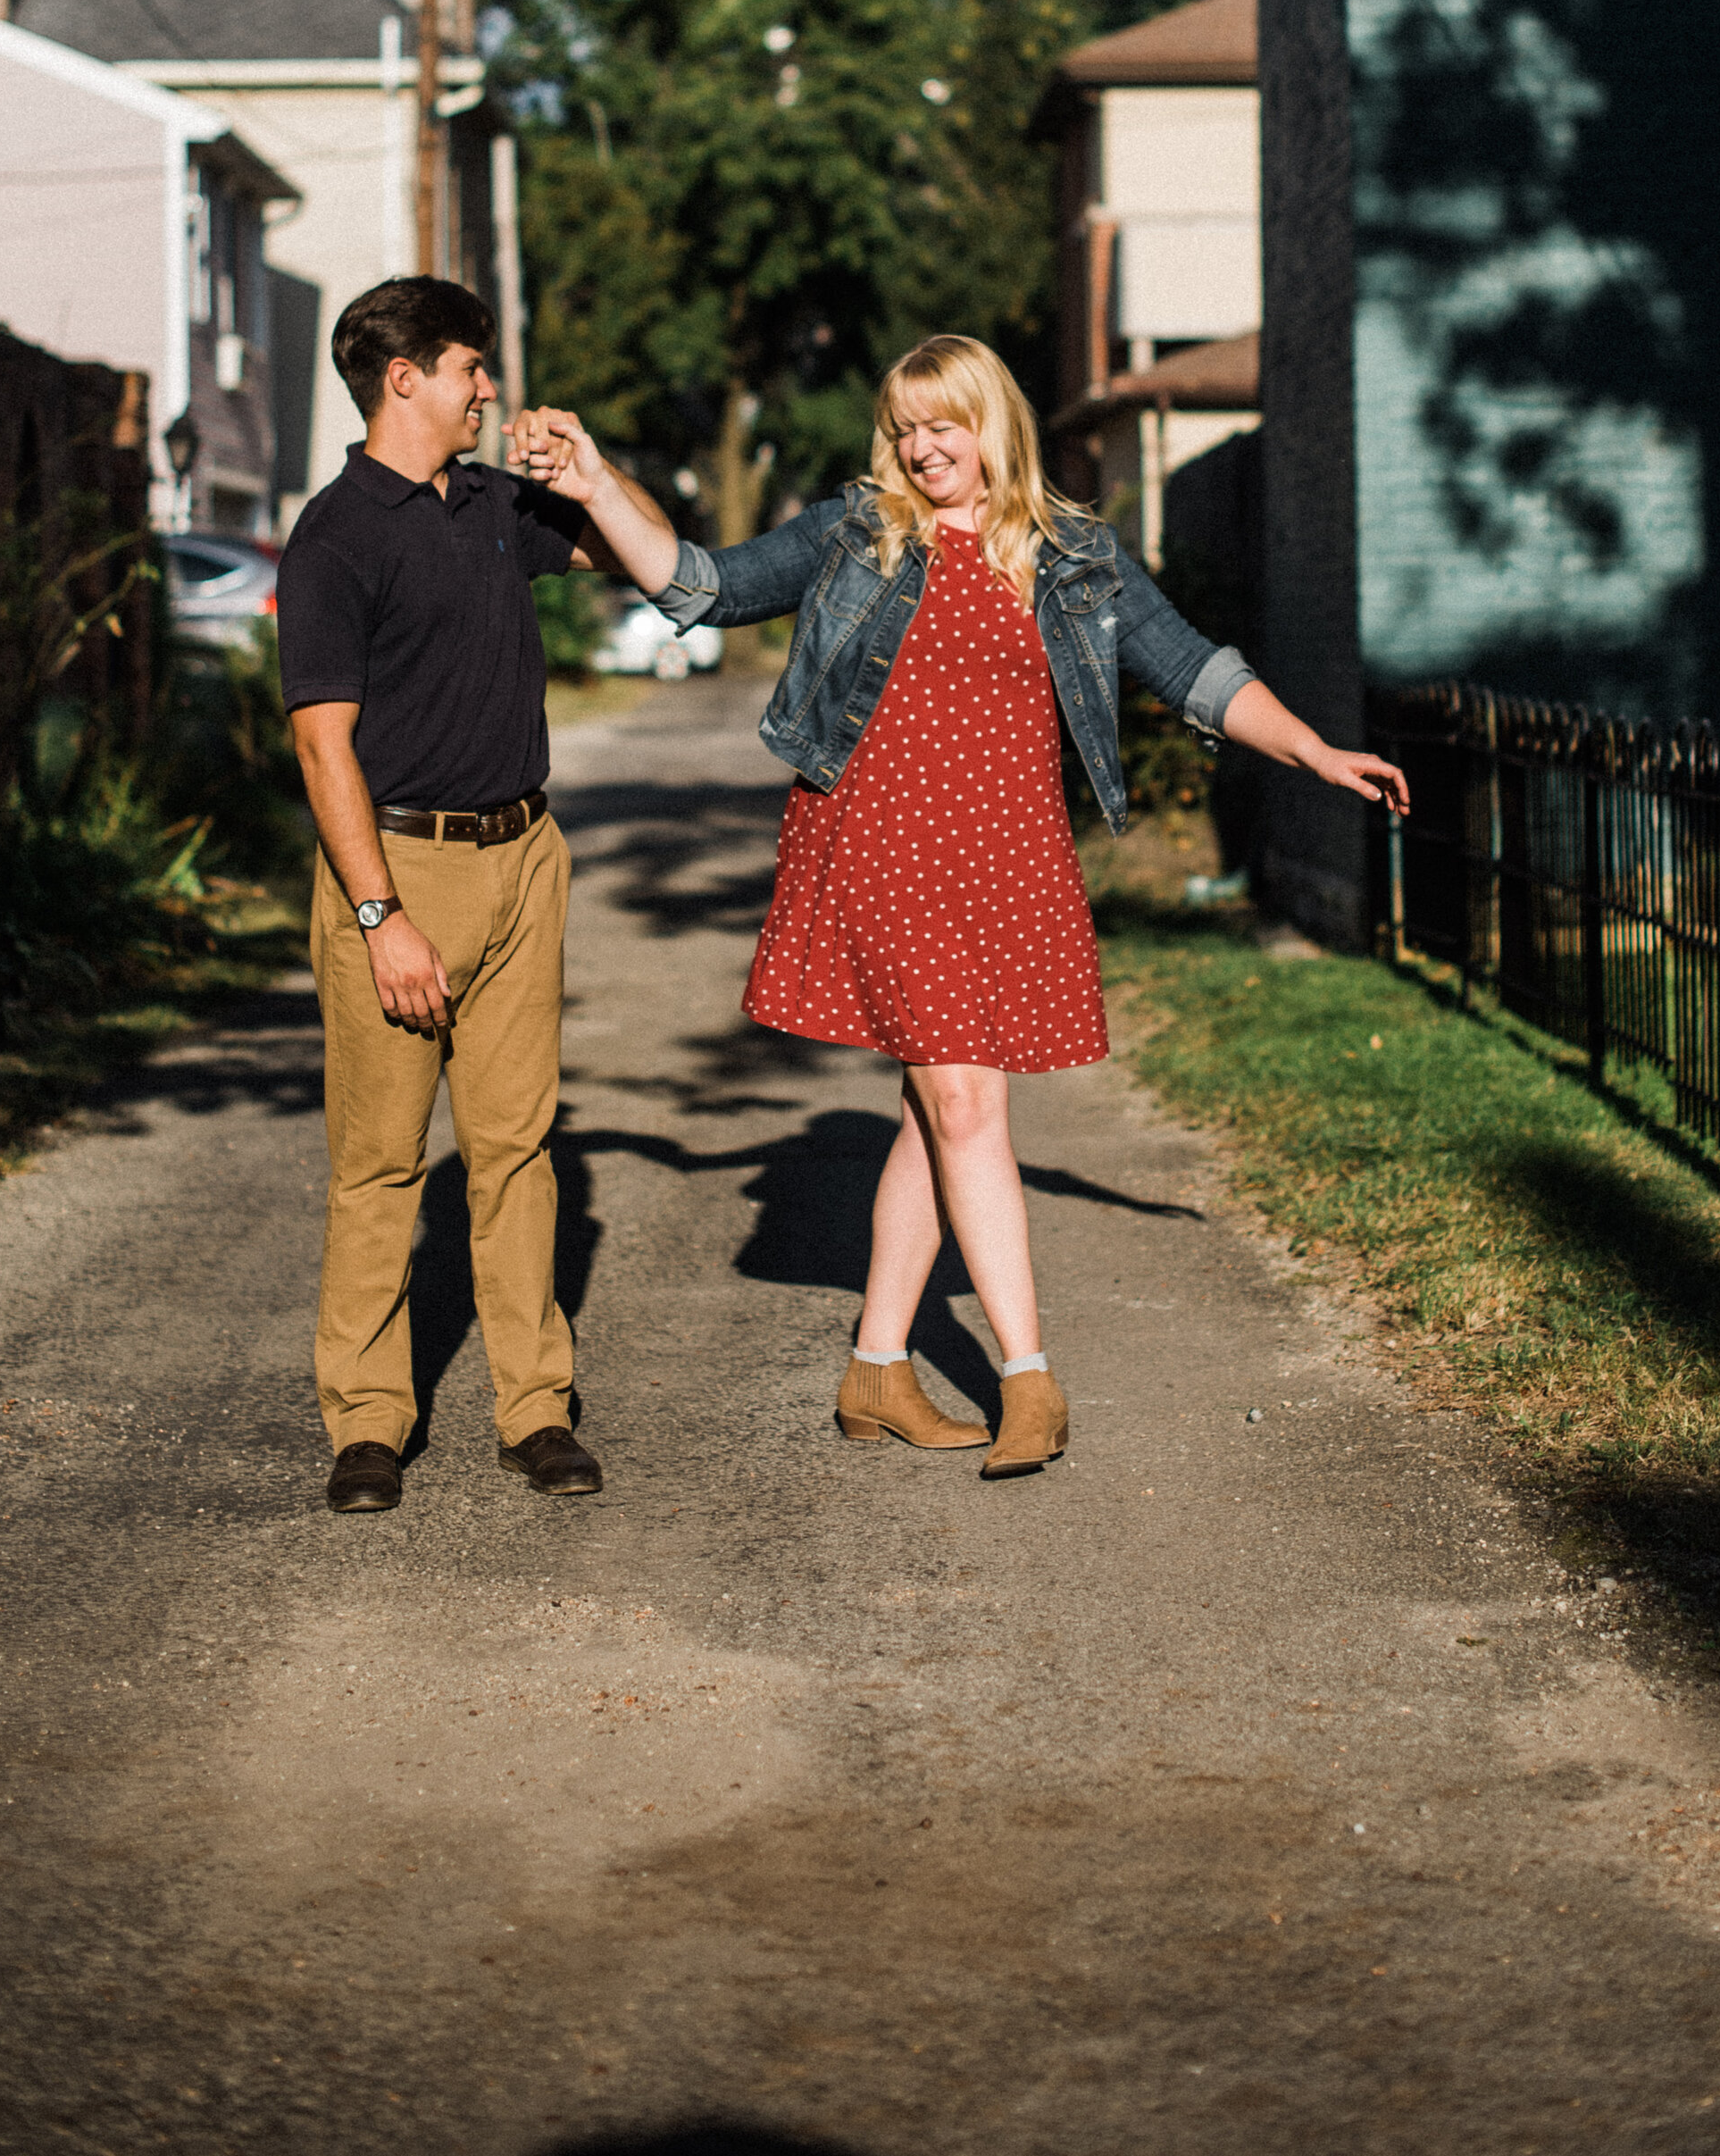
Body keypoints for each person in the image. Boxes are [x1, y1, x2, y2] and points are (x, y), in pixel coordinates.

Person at [507, 334, 1408, 1482]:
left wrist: (1314, 750)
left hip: (1009, 858)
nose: (926, 446)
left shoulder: (1075, 555)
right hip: (881, 845)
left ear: (994, 425)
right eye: (907, 425)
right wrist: (593, 480)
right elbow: (705, 585)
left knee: (935, 1112)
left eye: (948, 422)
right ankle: (1028, 1375)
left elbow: (1193, 672)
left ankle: (877, 1366)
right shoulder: (857, 531)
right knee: (965, 1101)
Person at [277, 275, 667, 1517]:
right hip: (402, 869)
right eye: (469, 369)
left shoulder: (499, 501)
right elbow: (323, 746)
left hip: (525, 855)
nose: (489, 389)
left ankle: (535, 1409)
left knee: (515, 1149)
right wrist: (383, 916)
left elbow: (647, 561)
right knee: (383, 1164)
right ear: (407, 379)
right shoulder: (336, 533)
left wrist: (587, 470)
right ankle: (369, 1423)